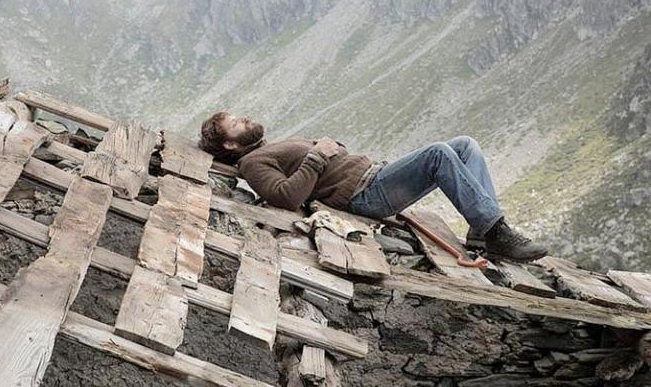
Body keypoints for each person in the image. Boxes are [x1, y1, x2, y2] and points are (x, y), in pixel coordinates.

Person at [198, 112, 548, 262]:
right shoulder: (251, 163)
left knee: (465, 144)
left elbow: (314, 164)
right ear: (230, 145)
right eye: (236, 123)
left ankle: (480, 233)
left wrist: (325, 148)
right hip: (365, 195)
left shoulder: (266, 149)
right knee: (439, 155)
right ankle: (498, 233)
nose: (244, 119)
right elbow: (287, 197)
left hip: (374, 175)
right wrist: (318, 155)